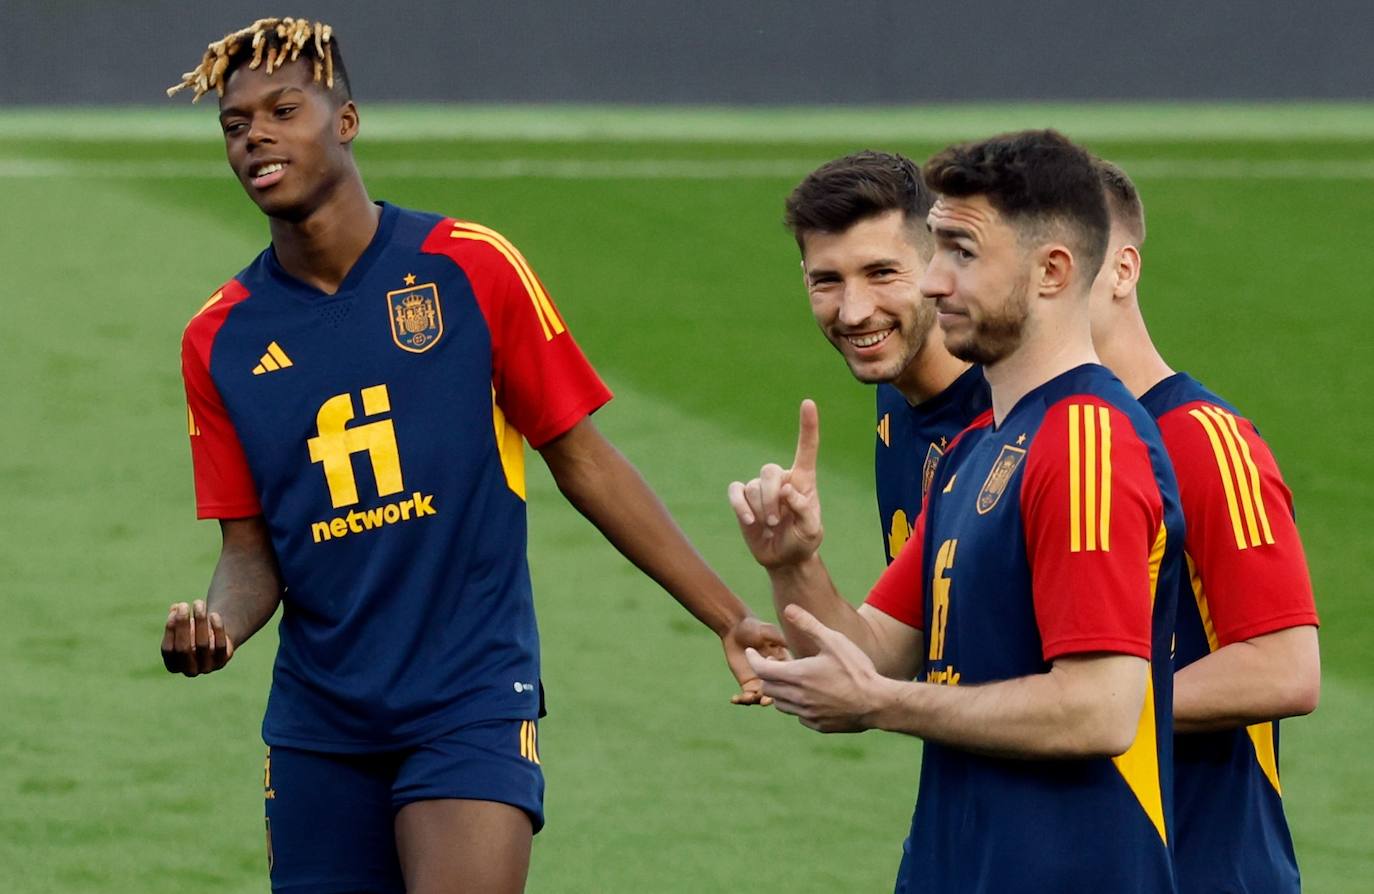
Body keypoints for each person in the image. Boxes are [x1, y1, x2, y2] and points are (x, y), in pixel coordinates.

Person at [158, 18, 784, 894]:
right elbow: (248, 554)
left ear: (346, 121)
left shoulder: (470, 268)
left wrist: (727, 615)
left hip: (470, 698)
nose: (255, 134)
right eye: (234, 123)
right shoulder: (217, 338)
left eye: (283, 108)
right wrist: (220, 627)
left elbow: (584, 459)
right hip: (317, 722)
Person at [730, 130, 1184, 893]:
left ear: (1051, 271)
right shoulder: (981, 442)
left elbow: (1099, 709)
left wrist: (886, 706)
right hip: (957, 863)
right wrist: (792, 564)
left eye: (961, 254)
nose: (934, 283)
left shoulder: (1086, 441)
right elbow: (875, 651)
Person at [1089, 159, 1320, 894]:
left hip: (1205, 871)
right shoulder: (1037, 444)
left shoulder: (1200, 439)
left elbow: (1284, 667)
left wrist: (1076, 711)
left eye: (1056, 265)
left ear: (1123, 271)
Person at [782, 152, 990, 564]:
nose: (853, 312)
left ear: (940, 264)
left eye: (881, 273)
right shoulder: (897, 391)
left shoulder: (1015, 418)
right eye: (827, 280)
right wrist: (794, 565)